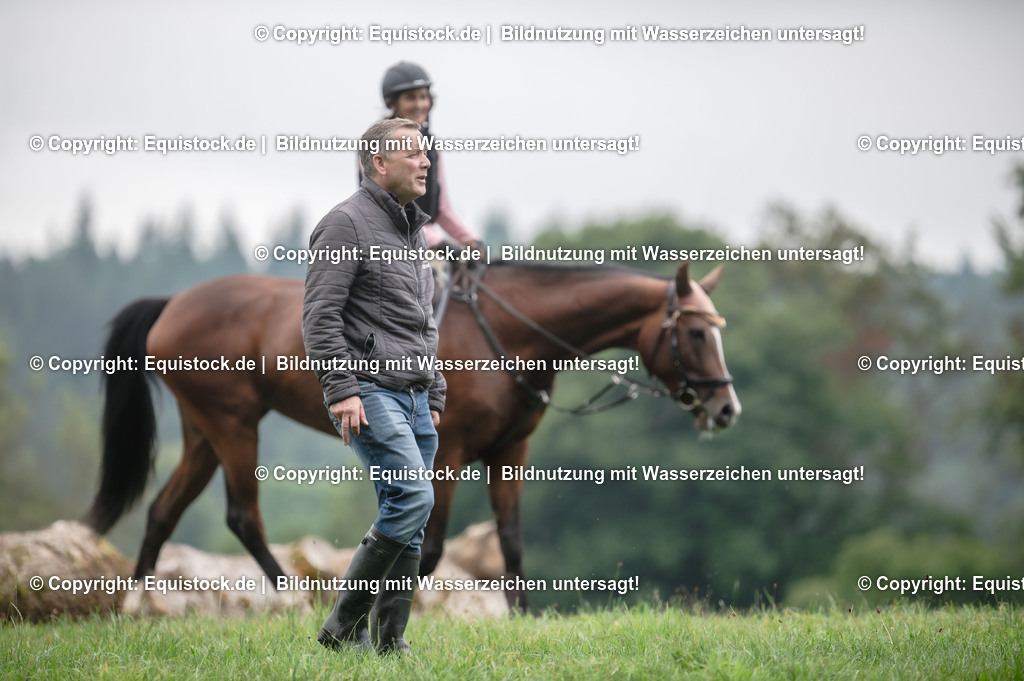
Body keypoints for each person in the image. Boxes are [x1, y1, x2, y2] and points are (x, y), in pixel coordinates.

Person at [302, 117, 445, 655]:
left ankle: (389, 643)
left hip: (415, 395)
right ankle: (340, 631)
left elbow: (423, 322)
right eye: (414, 154)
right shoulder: (344, 224)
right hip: (370, 390)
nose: (426, 162)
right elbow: (319, 317)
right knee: (413, 496)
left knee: (411, 513)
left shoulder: (413, 229)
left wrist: (434, 391)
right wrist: (341, 389)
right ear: (378, 163)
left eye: (426, 154)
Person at [379, 61, 482, 253]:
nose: (419, 104)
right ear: (392, 103)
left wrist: (472, 240)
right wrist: (438, 241)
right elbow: (390, 211)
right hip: (389, 247)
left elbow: (442, 209)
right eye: (410, 98)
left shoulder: (431, 148)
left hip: (423, 245)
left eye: (423, 97)